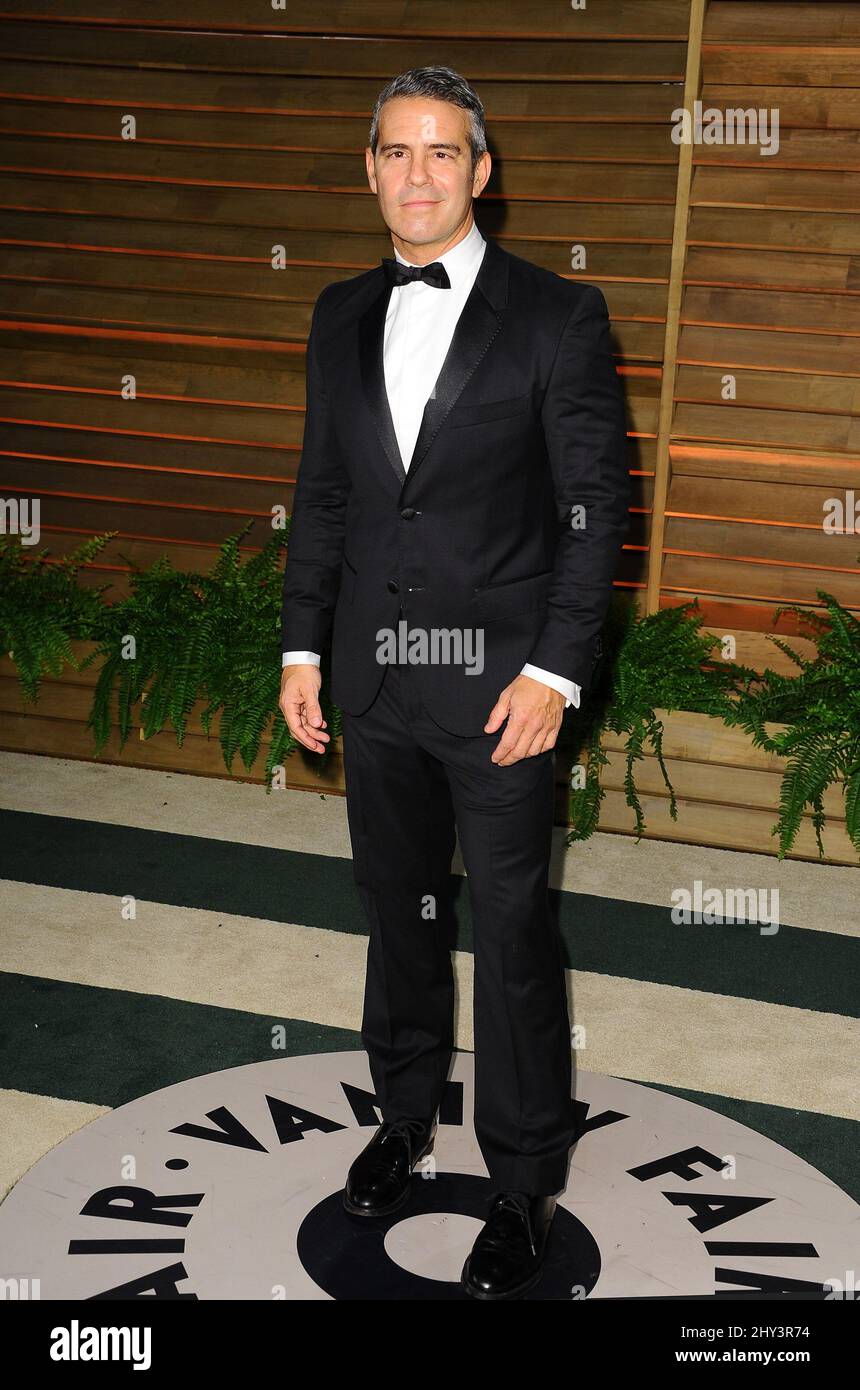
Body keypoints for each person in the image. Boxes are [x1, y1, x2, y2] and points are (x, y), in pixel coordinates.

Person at [279, 65, 630, 1300]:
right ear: (367, 167)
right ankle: (402, 1115)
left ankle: (524, 1177)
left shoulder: (558, 315)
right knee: (400, 913)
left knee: (514, 929)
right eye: (393, 152)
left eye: (440, 153)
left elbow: (595, 517)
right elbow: (324, 493)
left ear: (481, 172)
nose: (415, 175)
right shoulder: (333, 312)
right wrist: (300, 649)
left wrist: (554, 670)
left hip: (500, 693)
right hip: (374, 682)